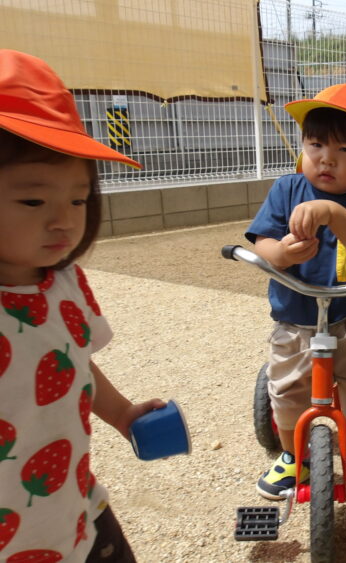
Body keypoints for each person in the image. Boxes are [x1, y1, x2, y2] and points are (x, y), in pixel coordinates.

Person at [0, 49, 165, 561]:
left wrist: (123, 413)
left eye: (78, 199)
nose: (65, 221)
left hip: (75, 505)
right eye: (33, 200)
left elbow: (69, 361)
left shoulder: (64, 283)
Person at [244, 83, 346, 530]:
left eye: (344, 149)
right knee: (287, 393)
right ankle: (296, 457)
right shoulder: (287, 189)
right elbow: (262, 242)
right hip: (295, 319)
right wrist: (280, 253)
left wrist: (332, 212)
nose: (326, 158)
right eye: (315, 145)